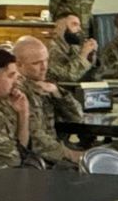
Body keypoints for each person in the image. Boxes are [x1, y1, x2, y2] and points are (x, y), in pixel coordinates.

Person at [14, 35, 83, 167]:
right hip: (39, 160)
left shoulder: (43, 84)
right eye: (36, 63)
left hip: (54, 151)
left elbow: (77, 117)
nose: (44, 67)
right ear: (18, 65)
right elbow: (36, 139)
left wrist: (57, 93)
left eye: (46, 61)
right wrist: (70, 155)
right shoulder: (19, 92)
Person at [47, 14, 100, 83]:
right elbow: (66, 78)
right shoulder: (51, 49)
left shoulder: (74, 47)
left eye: (79, 25)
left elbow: (89, 75)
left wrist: (90, 56)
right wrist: (83, 55)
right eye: (74, 24)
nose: (79, 29)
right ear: (61, 27)